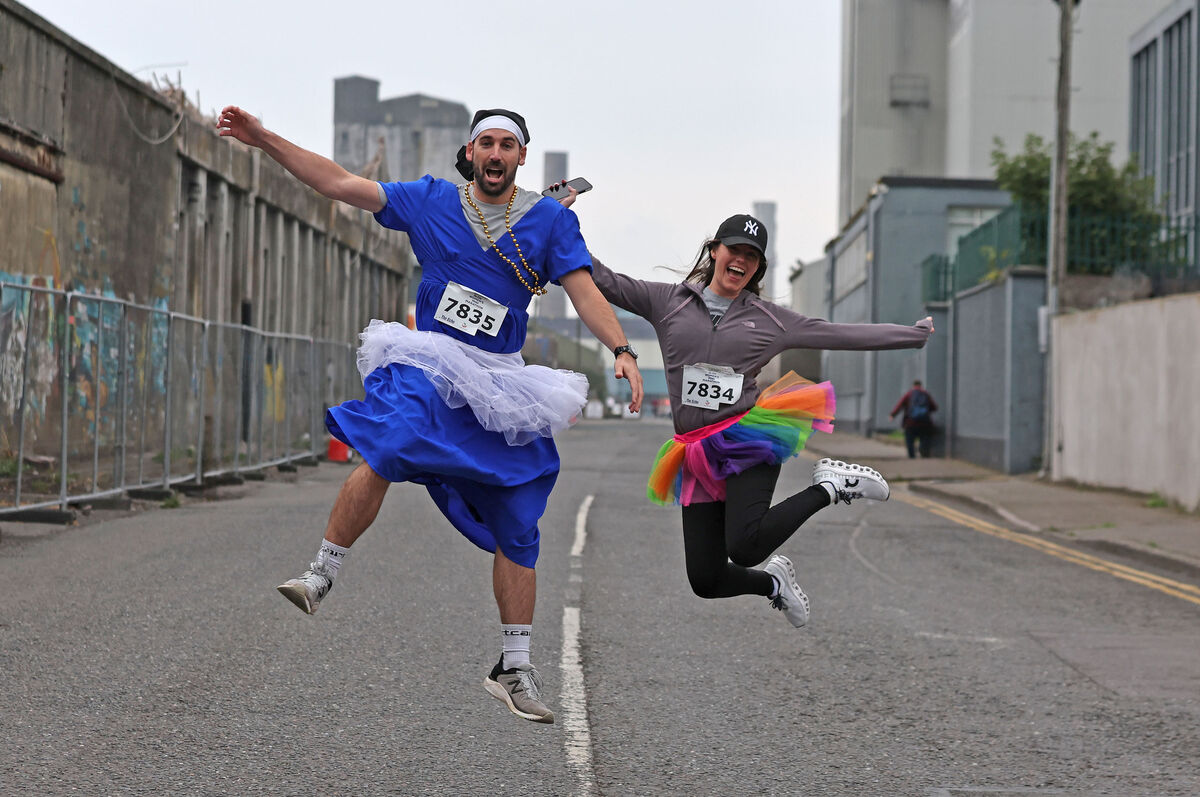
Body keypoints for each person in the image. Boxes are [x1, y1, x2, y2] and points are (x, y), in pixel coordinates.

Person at [217, 106, 643, 724]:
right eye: (485, 143)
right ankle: (321, 573)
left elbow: (583, 293)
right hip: (434, 362)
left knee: (520, 520)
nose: (495, 154)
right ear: (470, 152)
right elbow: (338, 183)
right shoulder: (430, 200)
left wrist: (624, 351)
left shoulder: (549, 221)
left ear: (521, 158)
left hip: (498, 380)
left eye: (507, 145)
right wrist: (261, 139)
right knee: (392, 439)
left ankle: (514, 667)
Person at [556, 190, 930, 627]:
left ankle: (831, 486)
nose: (741, 261)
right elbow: (603, 278)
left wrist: (912, 335)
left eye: (752, 257)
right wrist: (559, 220)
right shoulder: (669, 301)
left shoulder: (770, 319)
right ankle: (773, 585)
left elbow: (839, 333)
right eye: (734, 250)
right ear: (714, 251)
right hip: (693, 449)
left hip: (747, 438)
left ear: (758, 268)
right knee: (707, 579)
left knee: (746, 546)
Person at [891, 380, 938, 458]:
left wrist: (892, 415)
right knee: (924, 438)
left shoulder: (909, 394)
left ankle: (912, 455)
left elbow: (900, 405)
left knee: (909, 440)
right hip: (925, 422)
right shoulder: (926, 394)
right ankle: (923, 452)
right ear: (921, 385)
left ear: (913, 386)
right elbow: (934, 407)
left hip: (910, 422)